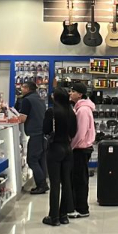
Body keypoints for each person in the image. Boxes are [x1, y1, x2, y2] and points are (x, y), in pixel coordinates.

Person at [42, 87, 78, 226]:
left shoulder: (51, 112)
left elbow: (46, 130)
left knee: (55, 183)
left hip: (55, 148)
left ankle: (54, 216)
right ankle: (64, 215)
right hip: (68, 149)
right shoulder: (71, 112)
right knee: (66, 182)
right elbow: (73, 132)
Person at [13, 81, 48, 194]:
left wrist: (14, 117)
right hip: (42, 133)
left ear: (27, 89)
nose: (21, 89)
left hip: (35, 133)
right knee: (41, 159)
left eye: (23, 87)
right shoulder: (40, 99)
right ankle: (42, 184)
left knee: (32, 160)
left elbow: (23, 119)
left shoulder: (27, 100)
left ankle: (41, 185)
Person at [68, 82, 96, 218]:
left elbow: (80, 132)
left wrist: (71, 146)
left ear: (80, 94)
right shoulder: (81, 108)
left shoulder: (83, 110)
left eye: (73, 91)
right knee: (78, 178)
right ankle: (78, 206)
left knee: (79, 179)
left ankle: (82, 208)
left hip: (81, 149)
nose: (70, 93)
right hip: (81, 148)